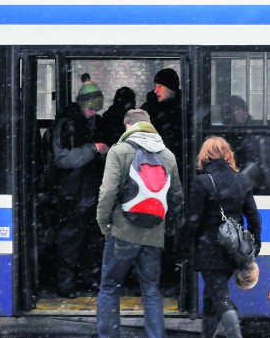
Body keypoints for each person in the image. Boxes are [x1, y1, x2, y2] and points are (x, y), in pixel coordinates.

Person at [96, 109, 184, 338]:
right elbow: (177, 198)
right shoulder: (168, 156)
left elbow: (108, 192)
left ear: (128, 127)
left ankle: (109, 335)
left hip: (122, 232)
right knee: (151, 290)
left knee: (109, 287)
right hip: (153, 234)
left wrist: (104, 223)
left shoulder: (119, 151)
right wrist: (165, 225)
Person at [181, 136, 261, 338]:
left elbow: (192, 221)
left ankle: (235, 335)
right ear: (227, 154)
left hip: (209, 251)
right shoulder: (241, 180)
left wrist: (181, 249)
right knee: (210, 297)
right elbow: (253, 216)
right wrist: (255, 247)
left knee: (219, 297)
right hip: (232, 251)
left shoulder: (202, 182)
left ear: (205, 155)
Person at [52, 79, 109, 298]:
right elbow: (63, 159)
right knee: (70, 241)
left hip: (90, 192)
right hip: (72, 194)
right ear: (81, 104)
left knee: (91, 241)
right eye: (90, 108)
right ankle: (66, 285)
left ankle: (88, 279)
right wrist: (93, 149)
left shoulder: (96, 122)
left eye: (96, 108)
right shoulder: (66, 125)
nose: (93, 112)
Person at [141, 68, 184, 294]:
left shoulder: (181, 111)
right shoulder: (149, 110)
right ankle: (155, 279)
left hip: (170, 179)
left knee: (169, 231)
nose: (155, 90)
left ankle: (166, 276)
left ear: (172, 88)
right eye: (155, 85)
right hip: (152, 181)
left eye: (160, 86)